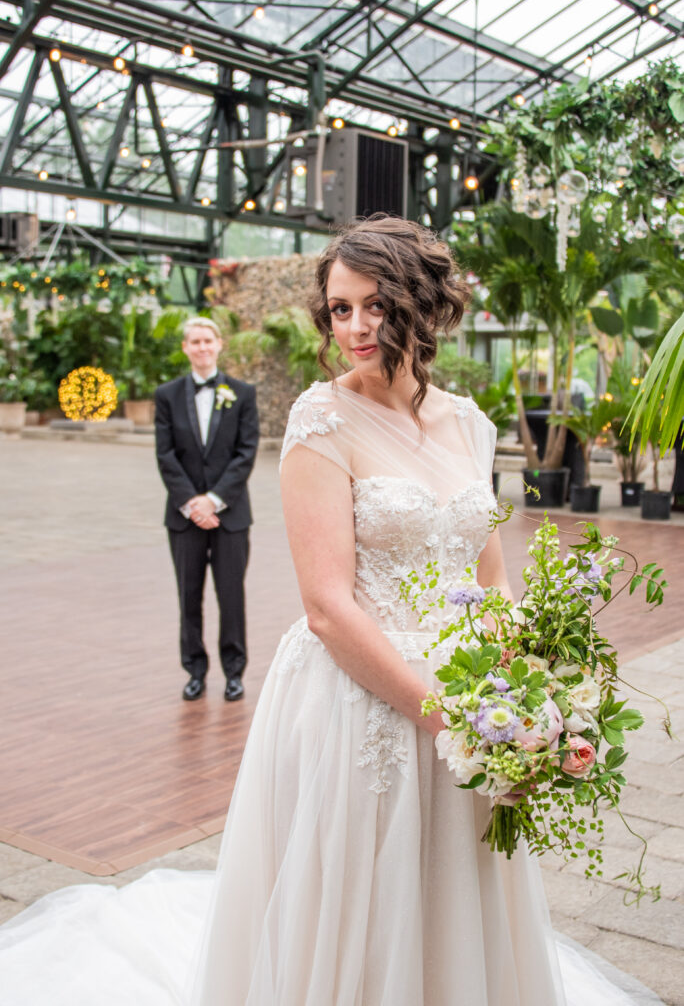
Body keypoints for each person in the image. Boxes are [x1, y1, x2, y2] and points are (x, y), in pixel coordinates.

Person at [0, 219, 661, 1006]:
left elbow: (492, 581)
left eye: (374, 306)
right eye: (339, 308)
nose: (353, 327)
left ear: (422, 304)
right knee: (359, 909)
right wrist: (446, 719)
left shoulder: (472, 425)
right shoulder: (321, 420)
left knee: (451, 899)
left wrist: (528, 704)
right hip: (364, 705)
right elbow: (325, 607)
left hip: (474, 704)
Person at [154, 316, 259, 702]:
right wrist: (191, 504)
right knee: (189, 595)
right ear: (185, 348)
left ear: (219, 345)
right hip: (183, 519)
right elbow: (165, 455)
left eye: (207, 341)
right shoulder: (166, 395)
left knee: (231, 595)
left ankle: (235, 672)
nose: (201, 347)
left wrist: (213, 501)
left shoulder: (242, 393)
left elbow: (246, 453)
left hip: (230, 516)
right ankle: (194, 670)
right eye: (194, 342)